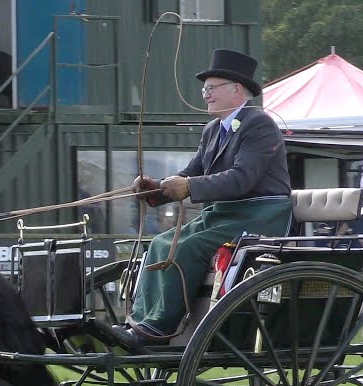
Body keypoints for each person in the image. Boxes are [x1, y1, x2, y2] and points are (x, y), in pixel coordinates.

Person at [116, 49, 291, 348]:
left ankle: (158, 328)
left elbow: (241, 178)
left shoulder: (259, 124)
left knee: (188, 247)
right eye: (205, 89)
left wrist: (188, 187)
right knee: (159, 244)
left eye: (212, 88)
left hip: (259, 216)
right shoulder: (212, 130)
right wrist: (156, 189)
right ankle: (140, 322)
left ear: (236, 89)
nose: (206, 94)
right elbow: (192, 173)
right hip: (222, 215)